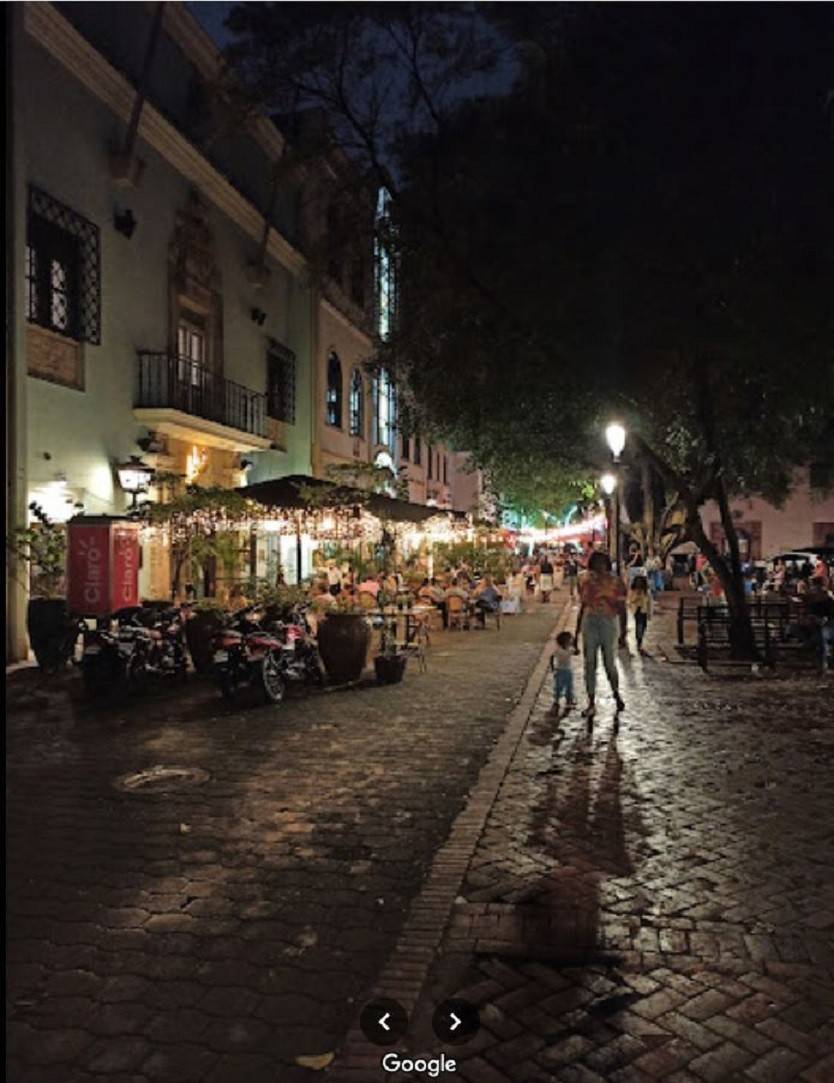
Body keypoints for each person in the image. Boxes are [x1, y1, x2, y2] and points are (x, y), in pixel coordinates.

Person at [575, 550, 626, 724]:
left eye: (602, 564)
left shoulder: (616, 582)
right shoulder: (584, 581)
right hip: (590, 622)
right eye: (596, 564)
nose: (599, 568)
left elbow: (622, 608)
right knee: (590, 663)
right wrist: (576, 632)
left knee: (609, 662)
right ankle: (591, 701)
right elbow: (583, 606)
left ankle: (616, 693)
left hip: (608, 622)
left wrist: (624, 632)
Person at [550, 630, 577, 713]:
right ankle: (565, 701)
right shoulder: (569, 650)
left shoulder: (559, 650)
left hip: (561, 670)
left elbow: (552, 657)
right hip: (565, 671)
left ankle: (559, 701)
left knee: (562, 687)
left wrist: (553, 667)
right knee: (566, 687)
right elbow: (577, 652)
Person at [628, 574, 653, 653]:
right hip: (636, 611)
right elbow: (630, 601)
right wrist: (637, 597)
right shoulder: (633, 591)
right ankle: (638, 641)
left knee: (643, 626)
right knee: (639, 626)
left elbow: (649, 602)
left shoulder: (646, 592)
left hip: (644, 611)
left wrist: (650, 613)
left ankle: (640, 639)